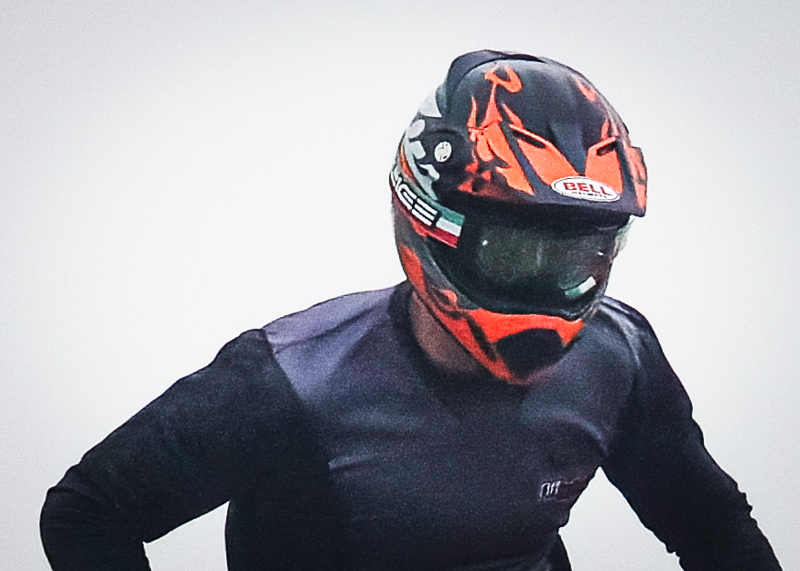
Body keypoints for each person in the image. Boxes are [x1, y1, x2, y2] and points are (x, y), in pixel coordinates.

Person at [40, 49, 782, 571]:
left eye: (577, 253)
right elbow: (89, 511)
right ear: (431, 221)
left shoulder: (619, 358)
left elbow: (711, 526)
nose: (547, 280)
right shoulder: (288, 380)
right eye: (515, 249)